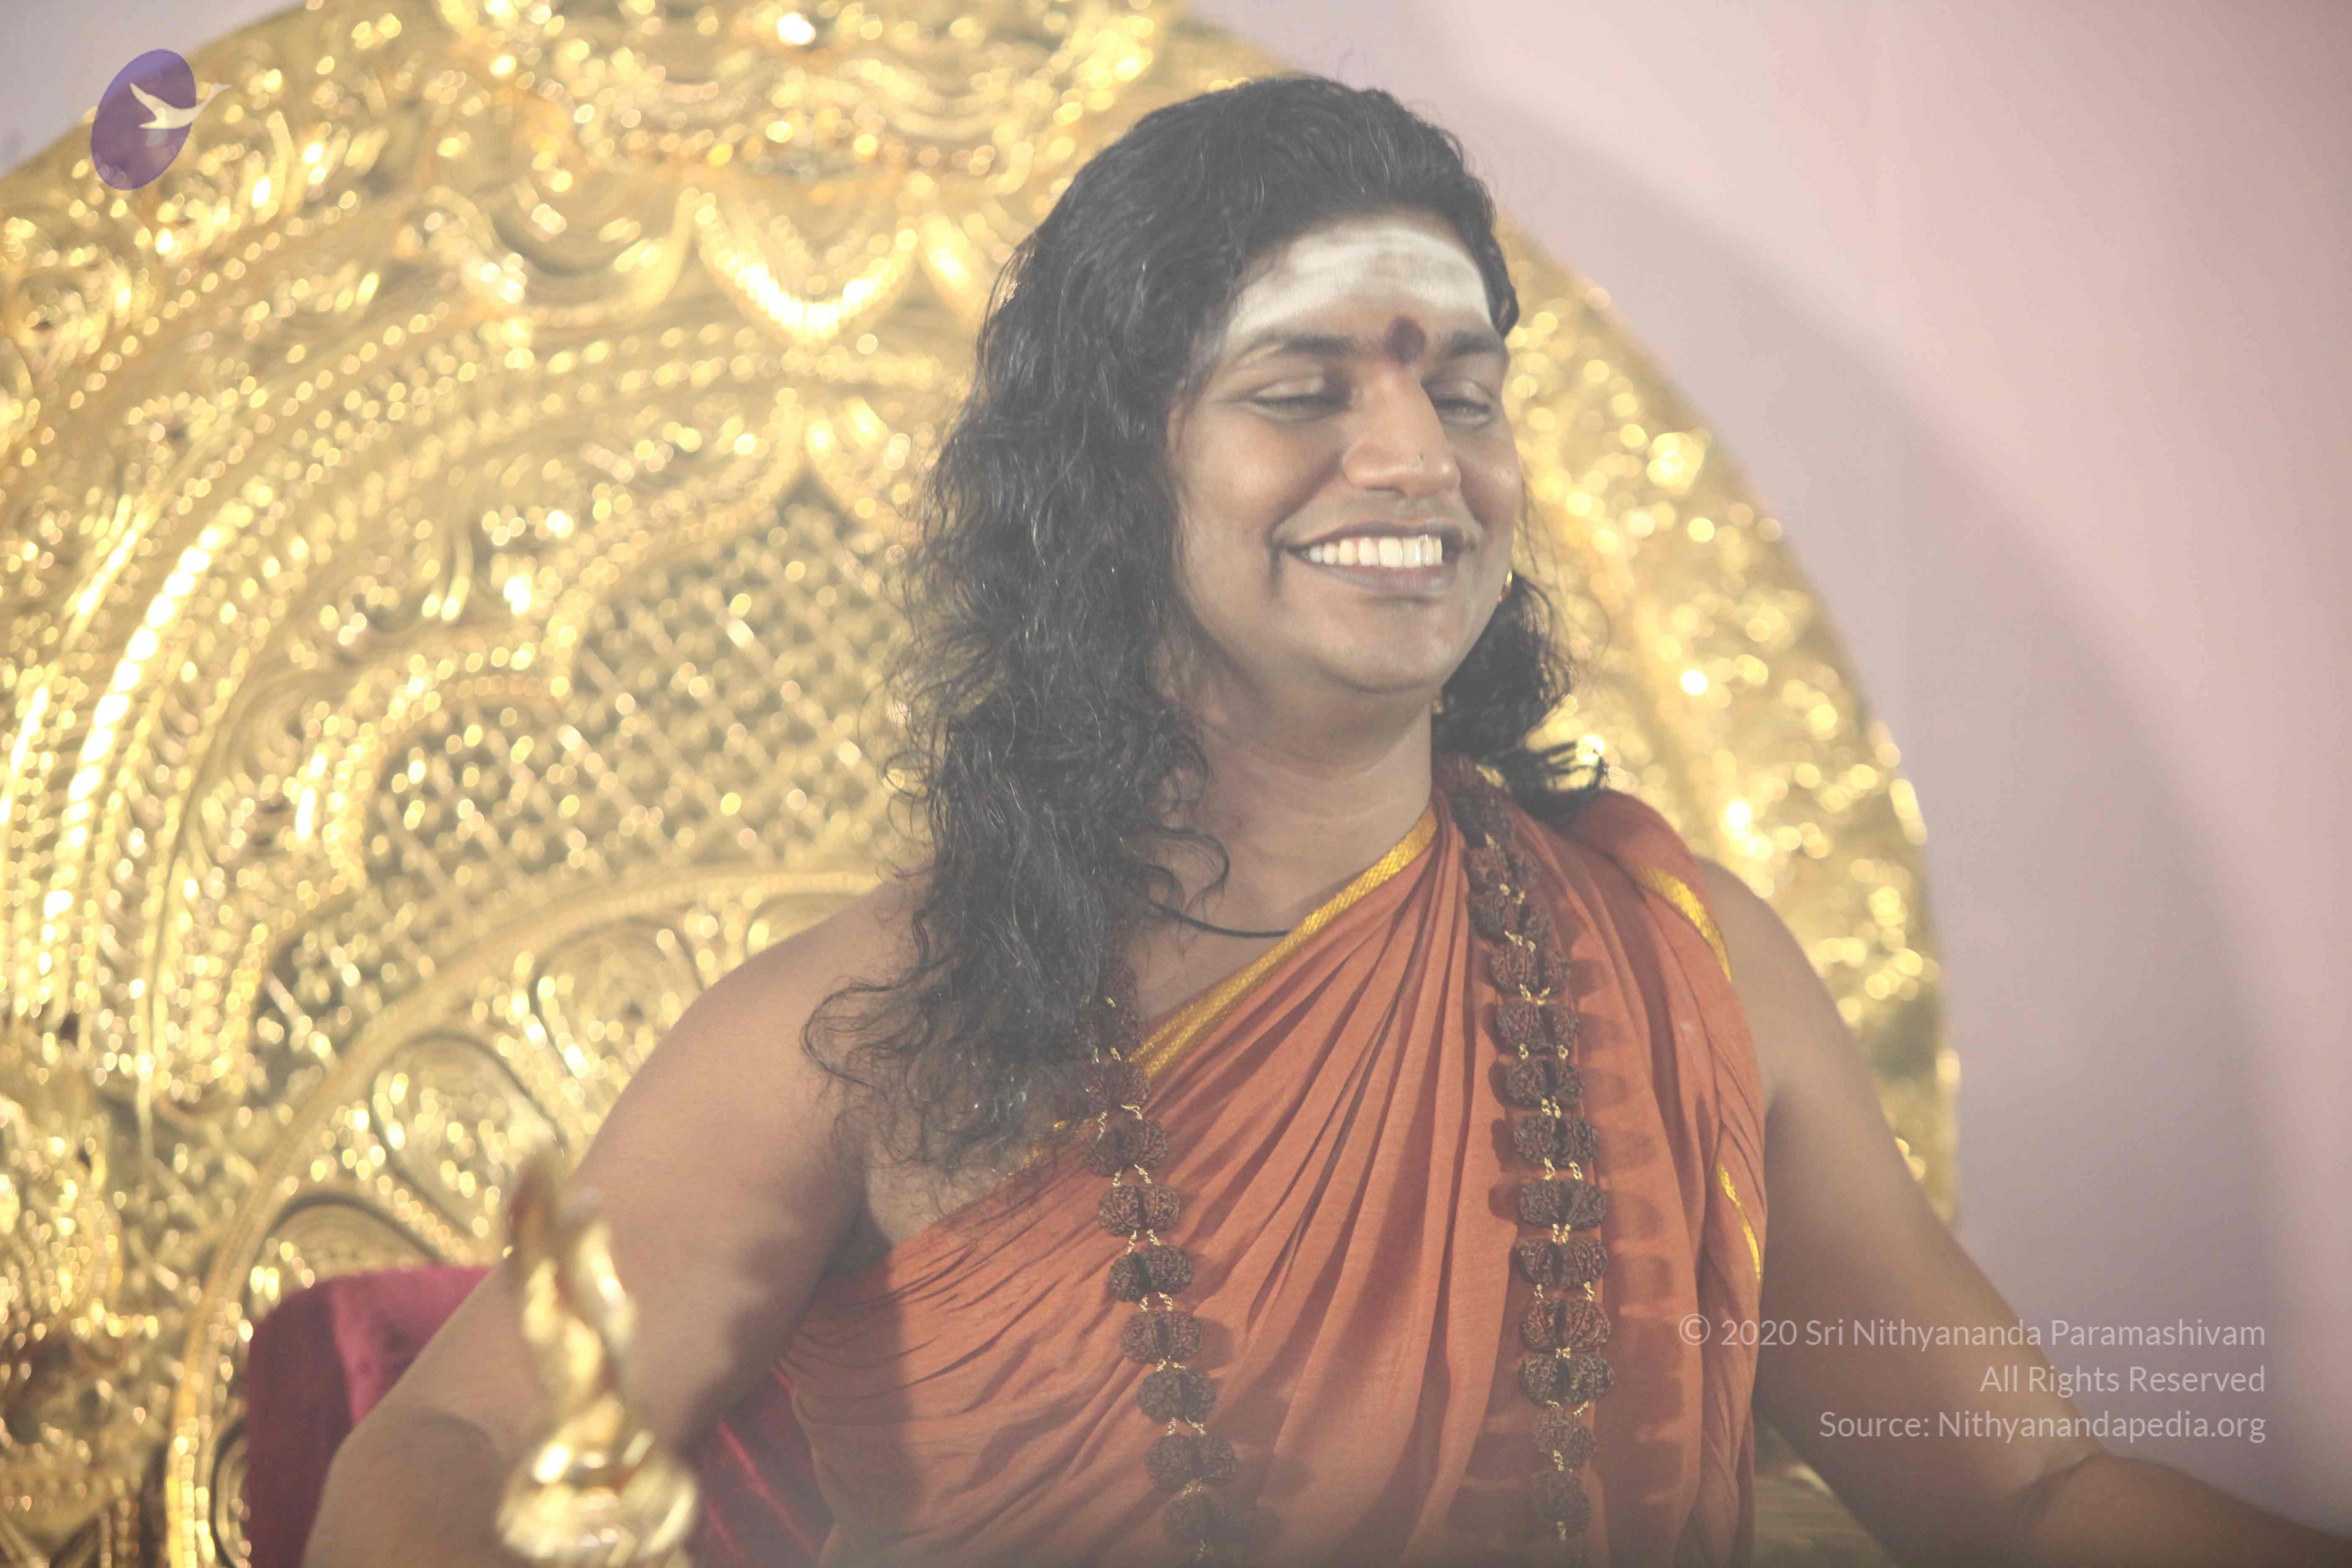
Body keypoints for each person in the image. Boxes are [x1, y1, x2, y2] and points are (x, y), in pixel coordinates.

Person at [307, 77, 2349, 1568]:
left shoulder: (1683, 966)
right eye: (1303, 389)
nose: (1417, 461)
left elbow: (2028, 1496)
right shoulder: (868, 1029)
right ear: (1118, 478)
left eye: (1462, 389)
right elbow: (447, 1450)